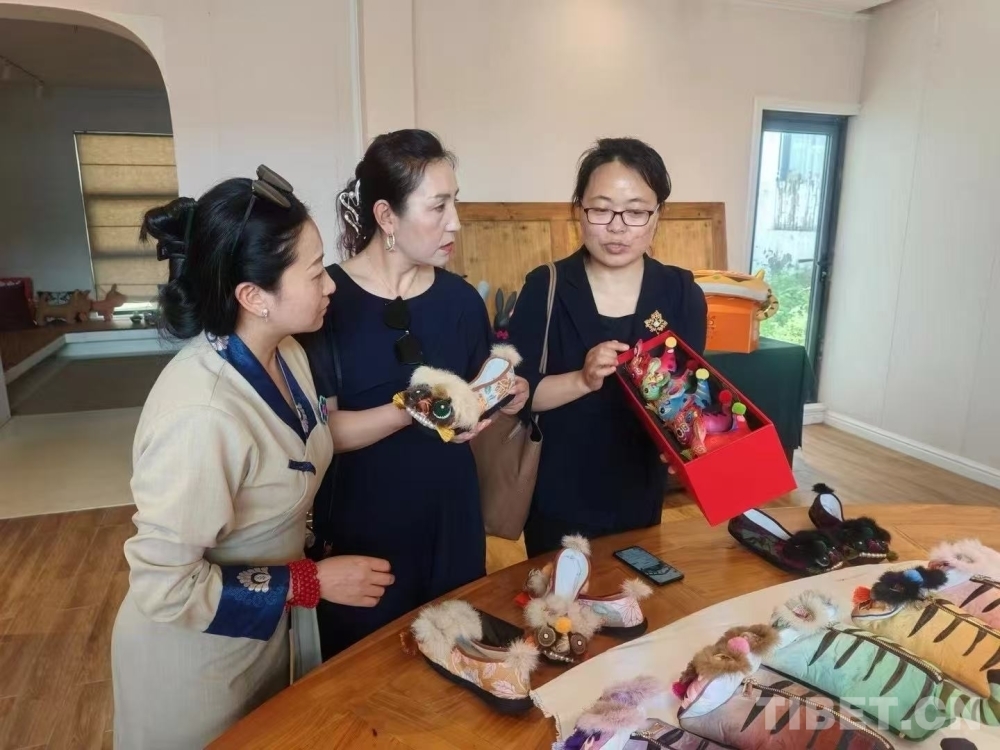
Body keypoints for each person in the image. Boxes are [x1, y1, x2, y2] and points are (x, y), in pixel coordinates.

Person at [111, 167, 395, 749]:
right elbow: (165, 586)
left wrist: (408, 412)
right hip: (196, 662)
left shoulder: (286, 352)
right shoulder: (202, 415)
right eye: (315, 272)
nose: (331, 285)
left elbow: (308, 443)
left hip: (264, 637)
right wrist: (312, 581)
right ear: (253, 296)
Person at [297, 129, 529, 660]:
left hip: (452, 519)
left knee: (457, 660)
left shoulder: (461, 301)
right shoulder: (327, 300)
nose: (456, 222)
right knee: (368, 672)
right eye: (439, 206)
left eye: (456, 202)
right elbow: (322, 434)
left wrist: (504, 395)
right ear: (386, 216)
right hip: (365, 528)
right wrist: (409, 410)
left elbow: (472, 403)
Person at [506, 137, 708, 558]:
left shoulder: (681, 292)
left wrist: (684, 442)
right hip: (558, 492)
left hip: (640, 488)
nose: (617, 227)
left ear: (658, 214)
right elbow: (519, 395)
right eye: (601, 209)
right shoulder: (546, 287)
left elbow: (688, 396)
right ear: (578, 210)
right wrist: (581, 380)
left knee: (633, 589)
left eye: (635, 212)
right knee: (556, 596)